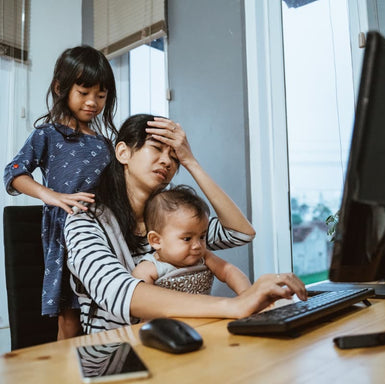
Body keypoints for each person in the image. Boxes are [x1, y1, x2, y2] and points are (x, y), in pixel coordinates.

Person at [64, 113, 307, 334]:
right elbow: (120, 293)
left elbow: (240, 233)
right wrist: (235, 305)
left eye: (174, 157)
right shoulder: (83, 220)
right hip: (115, 354)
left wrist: (191, 161)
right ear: (123, 153)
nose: (167, 162)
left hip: (184, 337)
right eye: (156, 149)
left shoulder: (173, 222)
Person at [3, 45, 117, 339]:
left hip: (105, 234)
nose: (93, 102)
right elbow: (13, 172)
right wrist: (50, 195)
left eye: (101, 95)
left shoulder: (106, 144)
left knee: (106, 309)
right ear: (60, 87)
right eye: (84, 92)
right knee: (70, 316)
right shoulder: (47, 134)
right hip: (65, 233)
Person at [132, 184, 252, 295]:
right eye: (187, 238)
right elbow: (142, 303)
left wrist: (247, 296)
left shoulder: (204, 257)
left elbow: (229, 271)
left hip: (207, 315)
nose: (197, 245)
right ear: (156, 241)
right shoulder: (149, 269)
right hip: (167, 317)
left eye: (202, 237)